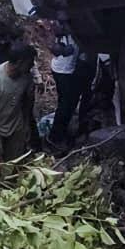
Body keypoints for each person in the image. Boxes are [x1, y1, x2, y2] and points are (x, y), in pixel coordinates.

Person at [0, 45, 39, 161]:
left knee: (13, 162)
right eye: (30, 63)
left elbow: (27, 102)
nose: (32, 66)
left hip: (15, 125)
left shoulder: (26, 77)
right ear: (20, 62)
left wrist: (26, 125)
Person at [47, 21, 85, 152]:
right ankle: (55, 138)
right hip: (63, 70)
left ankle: (61, 133)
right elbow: (53, 44)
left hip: (66, 69)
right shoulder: (64, 25)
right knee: (65, 105)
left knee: (69, 103)